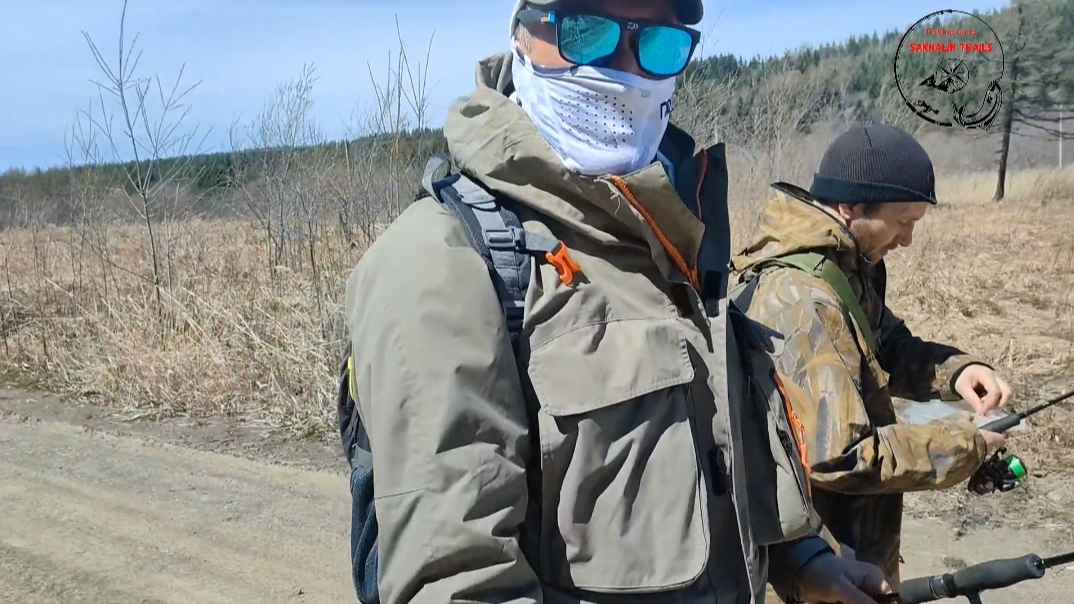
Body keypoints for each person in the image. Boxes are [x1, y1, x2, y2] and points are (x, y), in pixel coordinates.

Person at [340, 1, 895, 603]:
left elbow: (711, 444)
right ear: (522, 36)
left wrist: (802, 559)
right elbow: (459, 579)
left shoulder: (674, 231)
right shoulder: (441, 262)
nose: (623, 69)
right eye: (588, 32)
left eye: (657, 44)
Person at [730, 123, 1013, 587]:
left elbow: (882, 344)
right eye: (902, 222)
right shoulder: (804, 300)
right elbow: (840, 456)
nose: (907, 240)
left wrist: (958, 371)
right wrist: (966, 443)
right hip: (822, 569)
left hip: (856, 552)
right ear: (852, 207)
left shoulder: (844, 265)